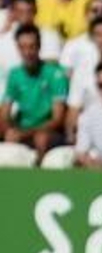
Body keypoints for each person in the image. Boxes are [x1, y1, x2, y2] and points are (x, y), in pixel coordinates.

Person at [1, 24, 69, 157]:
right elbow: (4, 113)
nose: (27, 52)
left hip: (48, 131)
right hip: (22, 128)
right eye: (23, 47)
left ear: (39, 47)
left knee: (41, 138)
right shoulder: (14, 74)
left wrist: (25, 133)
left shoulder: (55, 74)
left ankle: (39, 168)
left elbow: (57, 119)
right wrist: (9, 129)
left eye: (31, 46)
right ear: (17, 48)